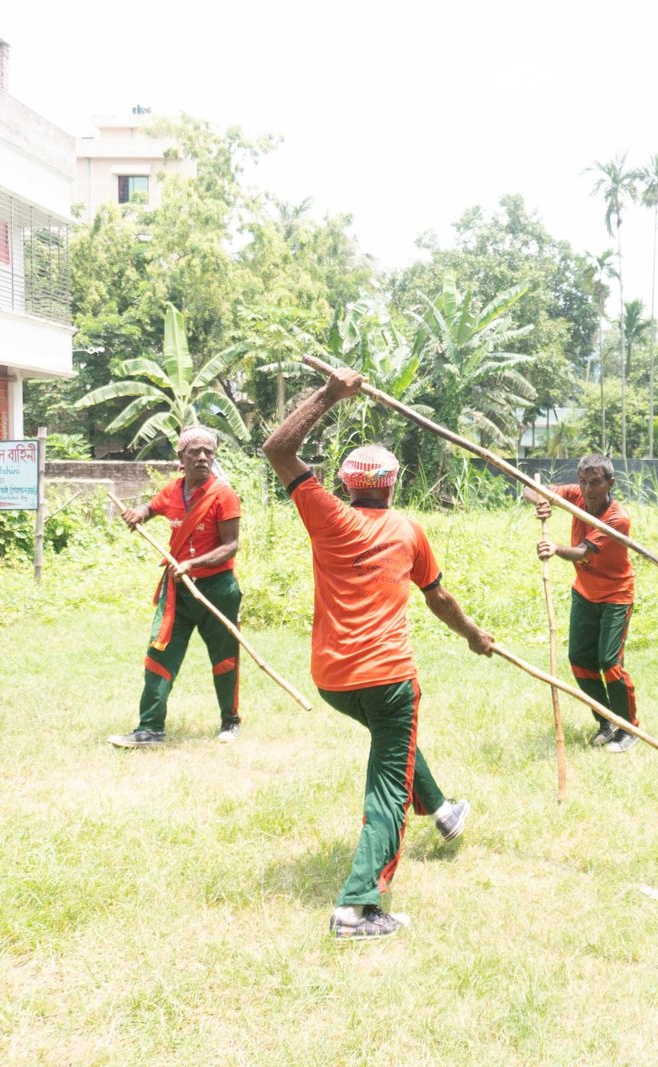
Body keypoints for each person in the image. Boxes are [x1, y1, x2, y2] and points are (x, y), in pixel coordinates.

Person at [263, 366, 495, 941]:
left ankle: (442, 810)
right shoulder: (409, 531)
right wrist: (473, 635)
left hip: (333, 680)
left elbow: (277, 450)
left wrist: (328, 396)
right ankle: (357, 909)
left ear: (346, 484)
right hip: (389, 679)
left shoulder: (325, 515)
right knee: (388, 783)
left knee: (395, 746)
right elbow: (439, 598)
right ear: (392, 485)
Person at [109, 426, 244, 748]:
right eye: (195, 452)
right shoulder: (172, 491)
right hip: (178, 592)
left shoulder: (223, 495)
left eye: (208, 452)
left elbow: (231, 546)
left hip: (217, 589)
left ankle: (230, 721)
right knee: (159, 653)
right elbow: (151, 509)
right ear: (181, 457)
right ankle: (150, 729)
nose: (203, 457)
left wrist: (193, 564)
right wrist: (138, 514)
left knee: (225, 657)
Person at [524, 457, 641, 752]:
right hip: (585, 593)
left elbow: (581, 553)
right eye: (584, 482)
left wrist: (554, 548)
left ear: (610, 484)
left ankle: (629, 727)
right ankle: (606, 720)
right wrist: (541, 500)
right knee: (579, 660)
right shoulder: (576, 494)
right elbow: (530, 488)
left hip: (616, 596)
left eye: (596, 483)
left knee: (609, 663)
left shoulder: (618, 518)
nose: (588, 490)